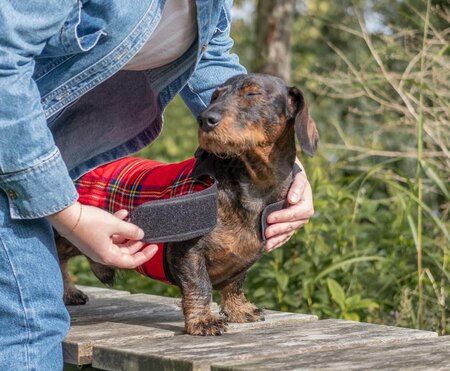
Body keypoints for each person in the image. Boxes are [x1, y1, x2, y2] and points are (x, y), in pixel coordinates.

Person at [0, 1, 314, 369]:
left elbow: (212, 61)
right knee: (30, 321)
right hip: (15, 150)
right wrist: (71, 217)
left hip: (54, 155)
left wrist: (287, 171)